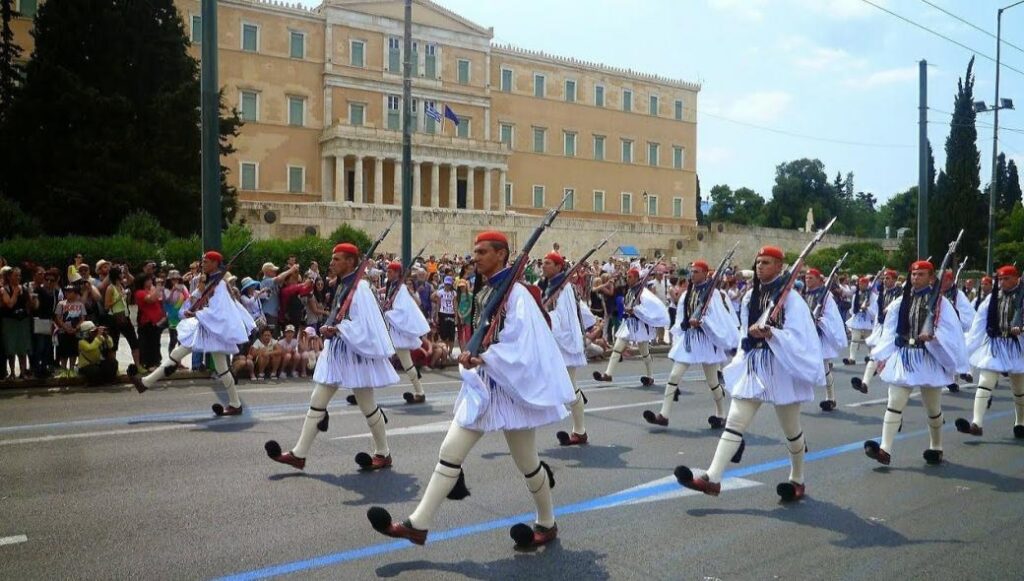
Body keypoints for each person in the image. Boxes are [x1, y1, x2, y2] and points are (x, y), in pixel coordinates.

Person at [367, 230, 575, 549]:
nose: (475, 257)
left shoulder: (517, 294)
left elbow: (523, 344)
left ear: (502, 255)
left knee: (528, 463)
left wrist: (484, 356)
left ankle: (547, 522)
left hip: (510, 388)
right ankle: (418, 524)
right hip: (484, 385)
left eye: (482, 252)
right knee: (451, 452)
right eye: (475, 252)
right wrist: (472, 353)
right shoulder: (486, 291)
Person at [675, 246, 824, 502]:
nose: (760, 266)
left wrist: (772, 333)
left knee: (791, 429)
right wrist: (741, 357)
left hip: (781, 366)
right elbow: (745, 332)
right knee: (735, 421)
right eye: (758, 262)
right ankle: (713, 478)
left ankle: (797, 478)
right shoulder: (749, 297)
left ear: (780, 266)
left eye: (766, 262)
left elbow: (801, 337)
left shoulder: (792, 299)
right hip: (755, 364)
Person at [265, 242, 399, 472]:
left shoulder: (361, 289)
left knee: (368, 405)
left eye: (337, 259)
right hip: (338, 351)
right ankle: (299, 454)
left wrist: (339, 329)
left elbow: (365, 326)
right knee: (318, 401)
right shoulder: (342, 285)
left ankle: (383, 452)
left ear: (350, 262)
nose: (332, 263)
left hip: (355, 353)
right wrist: (331, 328)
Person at [865, 260, 968, 465]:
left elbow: (951, 331)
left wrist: (935, 337)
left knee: (932, 408)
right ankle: (885, 449)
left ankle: (936, 446)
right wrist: (880, 353)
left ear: (931, 278)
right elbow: (890, 330)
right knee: (894, 402)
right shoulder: (901, 301)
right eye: (913, 274)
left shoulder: (940, 303)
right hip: (905, 356)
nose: (915, 278)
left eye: (920, 274)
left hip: (928, 358)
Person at [131, 251, 256, 416]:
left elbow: (219, 310)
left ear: (215, 263)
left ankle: (146, 383)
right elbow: (197, 297)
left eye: (206, 261)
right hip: (207, 326)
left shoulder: (220, 284)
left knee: (220, 368)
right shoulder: (211, 281)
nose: (203, 263)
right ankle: (146, 382)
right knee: (188, 356)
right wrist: (197, 295)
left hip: (212, 328)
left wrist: (197, 313)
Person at [645, 260, 739, 429]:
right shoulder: (688, 292)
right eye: (691, 271)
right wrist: (684, 327)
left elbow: (717, 317)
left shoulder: (713, 294)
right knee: (674, 376)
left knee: (712, 382)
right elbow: (682, 315)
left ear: (704, 273)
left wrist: (703, 322)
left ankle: (721, 414)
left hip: (706, 339)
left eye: (696, 271)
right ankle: (664, 415)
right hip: (690, 339)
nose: (692, 274)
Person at [956, 265, 1024, 439]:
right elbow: (979, 324)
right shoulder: (991, 298)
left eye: (1006, 278)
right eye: (1000, 279)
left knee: (1018, 388)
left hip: (1017, 346)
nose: (1002, 282)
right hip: (995, 345)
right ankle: (976, 423)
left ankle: (1020, 422)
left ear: (1017, 278)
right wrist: (966, 351)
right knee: (985, 382)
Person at [541, 251, 591, 447]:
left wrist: (545, 317)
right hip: (553, 342)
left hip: (565, 344)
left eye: (547, 263)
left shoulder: (565, 289)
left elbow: (566, 318)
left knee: (570, 387)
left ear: (558, 267)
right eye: (543, 263)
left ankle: (580, 431)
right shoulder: (548, 286)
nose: (543, 266)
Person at [593, 267, 670, 386]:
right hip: (629, 324)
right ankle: (608, 374)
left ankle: (650, 376)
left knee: (644, 352)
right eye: (627, 277)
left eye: (630, 277)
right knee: (617, 348)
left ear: (636, 278)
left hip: (639, 325)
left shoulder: (643, 293)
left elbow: (647, 308)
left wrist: (635, 310)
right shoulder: (630, 290)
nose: (627, 279)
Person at [380, 261, 431, 404]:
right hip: (390, 330)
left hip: (397, 333)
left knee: (406, 363)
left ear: (397, 273)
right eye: (388, 271)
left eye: (390, 271)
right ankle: (363, 392)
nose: (388, 273)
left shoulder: (401, 289)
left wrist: (387, 312)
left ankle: (420, 392)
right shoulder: (392, 287)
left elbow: (401, 311)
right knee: (375, 358)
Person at [802, 268, 848, 411]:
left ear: (818, 280)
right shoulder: (803, 294)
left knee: (824, 367)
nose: (807, 280)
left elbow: (832, 316)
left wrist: (820, 321)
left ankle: (831, 398)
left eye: (810, 278)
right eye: (806, 278)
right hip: (805, 336)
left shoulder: (826, 296)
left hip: (819, 335)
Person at [852, 269, 902, 394]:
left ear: (895, 280)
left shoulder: (900, 294)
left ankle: (898, 389)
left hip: (894, 330)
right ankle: (864, 384)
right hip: (882, 328)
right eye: (884, 278)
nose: (885, 280)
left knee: (892, 360)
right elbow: (877, 312)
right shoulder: (882, 293)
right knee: (875, 355)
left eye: (888, 278)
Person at [940, 270, 976, 392]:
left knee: (954, 354)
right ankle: (950, 380)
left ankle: (958, 375)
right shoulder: (936, 292)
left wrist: (954, 311)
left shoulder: (958, 295)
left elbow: (968, 314)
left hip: (954, 329)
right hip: (939, 329)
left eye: (944, 280)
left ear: (950, 281)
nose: (941, 283)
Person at [104, 266, 141, 372]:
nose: (122, 275)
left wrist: (127, 296)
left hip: (125, 316)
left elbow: (132, 282)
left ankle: (138, 365)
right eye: (121, 273)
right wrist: (118, 298)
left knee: (134, 341)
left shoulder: (122, 285)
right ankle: (113, 369)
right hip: (114, 318)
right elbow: (106, 306)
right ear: (116, 275)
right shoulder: (110, 288)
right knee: (114, 344)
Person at [1, 267, 32, 379]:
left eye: (19, 275)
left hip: (22, 321)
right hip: (9, 322)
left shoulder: (24, 288)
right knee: (11, 348)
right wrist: (15, 293)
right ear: (9, 277)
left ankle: (23, 372)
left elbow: (29, 306)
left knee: (22, 348)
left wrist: (31, 299)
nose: (18, 278)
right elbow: (9, 304)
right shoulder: (4, 289)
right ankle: (12, 373)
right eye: (15, 275)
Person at [134, 275, 166, 371]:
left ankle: (155, 362)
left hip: (156, 321)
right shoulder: (140, 292)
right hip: (146, 322)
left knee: (155, 343)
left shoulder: (151, 290)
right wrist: (158, 286)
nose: (150, 281)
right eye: (147, 280)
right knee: (147, 343)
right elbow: (151, 299)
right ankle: (148, 363)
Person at [844, 276, 876, 366]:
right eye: (860, 284)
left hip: (868, 320)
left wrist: (867, 308)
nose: (862, 285)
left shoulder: (873, 296)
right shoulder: (856, 295)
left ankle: (871, 356)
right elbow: (853, 308)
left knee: (869, 340)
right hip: (858, 320)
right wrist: (857, 311)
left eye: (864, 284)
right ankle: (852, 358)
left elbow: (875, 309)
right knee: (855, 339)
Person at [55, 285, 85, 377]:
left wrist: (76, 328)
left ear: (75, 293)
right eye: (66, 291)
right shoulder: (61, 304)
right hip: (63, 331)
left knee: (73, 351)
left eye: (70, 291)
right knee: (63, 351)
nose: (67, 293)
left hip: (75, 331)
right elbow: (58, 318)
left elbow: (83, 318)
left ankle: (71, 369)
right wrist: (65, 327)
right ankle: (63, 369)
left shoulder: (80, 304)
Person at [77, 321, 118, 386]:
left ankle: (109, 381)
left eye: (95, 331)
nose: (94, 333)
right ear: (86, 333)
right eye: (93, 332)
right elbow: (90, 348)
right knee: (95, 371)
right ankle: (92, 382)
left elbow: (111, 345)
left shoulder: (98, 338)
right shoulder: (81, 342)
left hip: (97, 363)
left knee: (113, 362)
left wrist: (106, 336)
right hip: (86, 366)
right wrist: (98, 336)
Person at [434, 276, 458, 344]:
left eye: (449, 284)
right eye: (446, 284)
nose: (447, 286)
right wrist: (437, 316)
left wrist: (456, 317)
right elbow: (438, 304)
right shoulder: (440, 292)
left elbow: (455, 304)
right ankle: (445, 349)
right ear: (444, 284)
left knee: (451, 333)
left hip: (451, 313)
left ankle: (450, 351)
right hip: (442, 312)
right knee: (443, 332)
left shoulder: (454, 293)